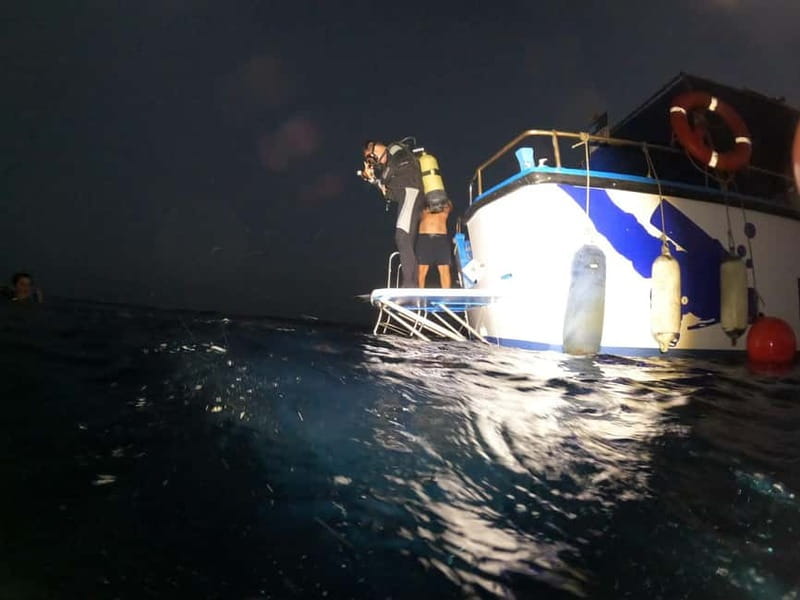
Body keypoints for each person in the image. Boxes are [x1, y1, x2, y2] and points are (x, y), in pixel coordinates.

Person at [361, 140, 426, 288]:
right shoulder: (392, 170)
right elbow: (388, 193)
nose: (373, 162)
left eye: (371, 158)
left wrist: (378, 174)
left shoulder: (395, 148)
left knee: (402, 236)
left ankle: (410, 284)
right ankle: (412, 283)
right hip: (405, 195)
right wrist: (372, 179)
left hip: (411, 191)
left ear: (374, 150)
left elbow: (392, 169)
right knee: (404, 238)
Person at [416, 200, 453, 288]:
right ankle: (420, 298)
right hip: (424, 238)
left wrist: (438, 202)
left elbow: (448, 208)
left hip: (441, 239)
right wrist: (429, 206)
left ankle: (446, 297)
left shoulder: (445, 203)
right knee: (422, 270)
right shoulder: (424, 205)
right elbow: (420, 213)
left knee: (444, 270)